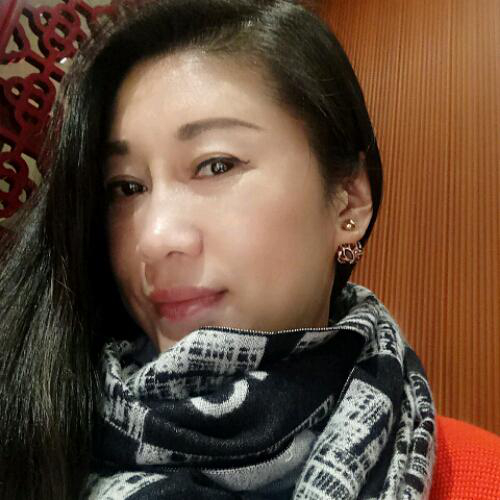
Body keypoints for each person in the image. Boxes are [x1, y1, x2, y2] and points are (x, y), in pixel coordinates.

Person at [0, 1, 437, 498]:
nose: (155, 239)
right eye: (126, 187)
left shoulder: (477, 474)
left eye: (215, 165)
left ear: (349, 201)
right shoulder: (34, 432)